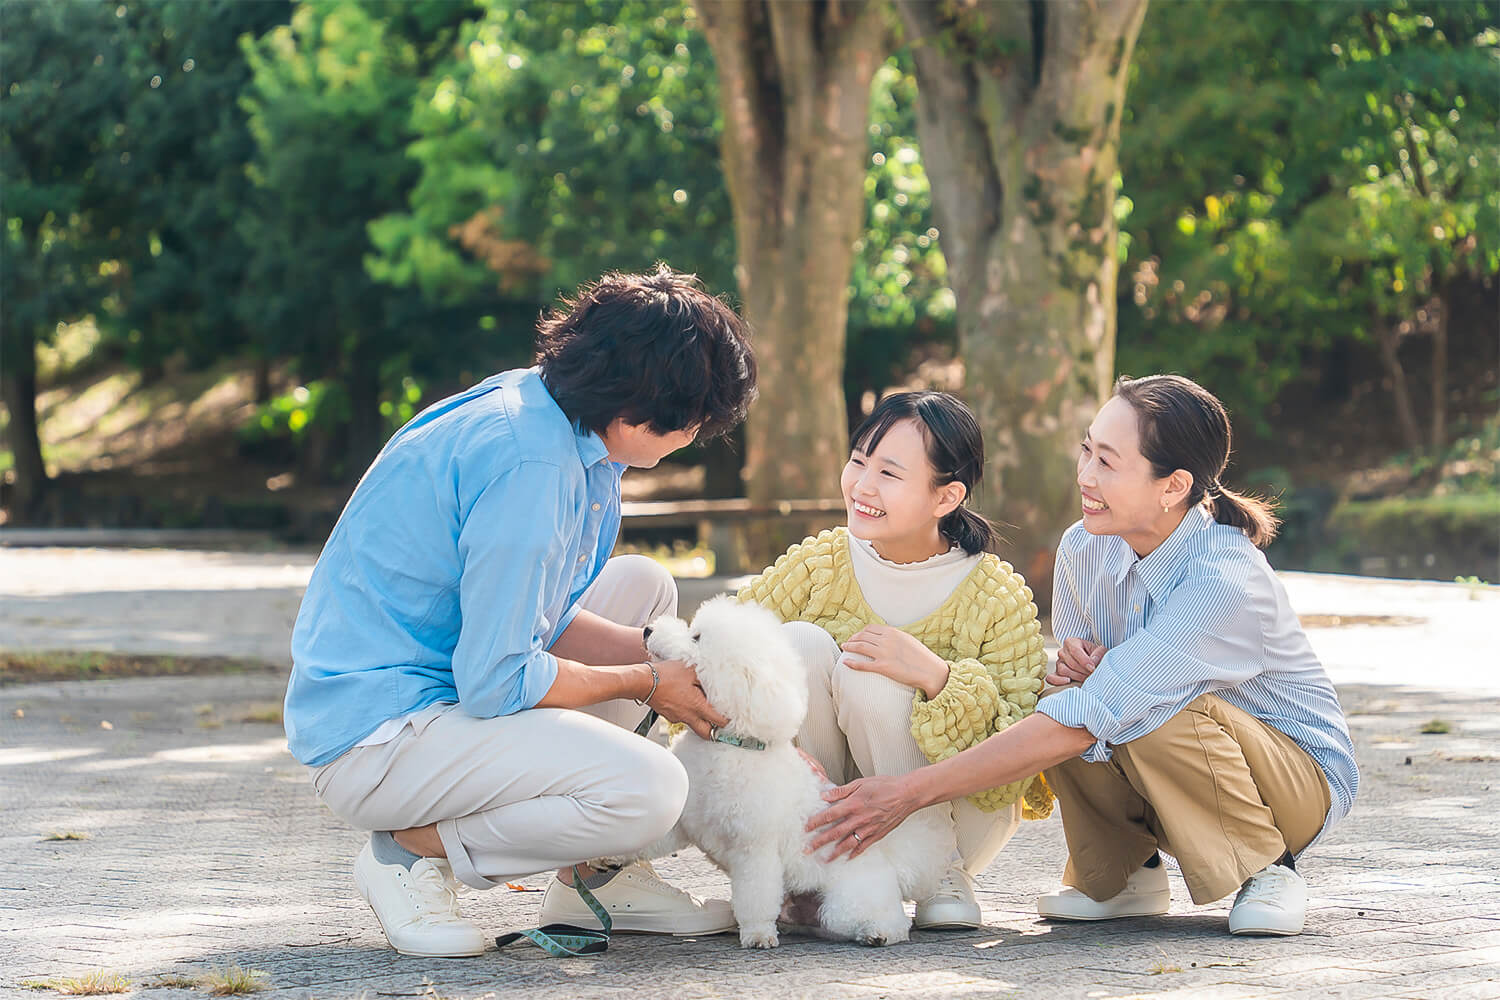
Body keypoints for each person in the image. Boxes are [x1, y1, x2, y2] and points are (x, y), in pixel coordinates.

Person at [283, 266, 758, 957]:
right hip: (379, 739)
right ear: (641, 409)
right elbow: (496, 680)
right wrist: (646, 683)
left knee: (646, 597)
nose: (695, 438)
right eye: (694, 423)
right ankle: (410, 854)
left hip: (444, 689)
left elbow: (541, 614)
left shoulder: (551, 417)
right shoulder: (529, 466)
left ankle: (590, 880)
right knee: (651, 790)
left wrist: (660, 659)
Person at [805, 374, 1359, 938]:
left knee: (1140, 712)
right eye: (1086, 450)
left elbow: (1091, 717)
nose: (1085, 476)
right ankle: (1125, 874)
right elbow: (1081, 700)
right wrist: (1088, 680)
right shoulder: (1085, 546)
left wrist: (906, 794)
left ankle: (1271, 869)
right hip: (1174, 772)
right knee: (1058, 694)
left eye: (1108, 463)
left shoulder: (1223, 581)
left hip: (1294, 783)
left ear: (1173, 486)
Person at [737, 391, 1052, 931]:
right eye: (859, 460)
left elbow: (1011, 765)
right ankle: (817, 871)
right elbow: (716, 655)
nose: (862, 485)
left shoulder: (995, 595)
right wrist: (779, 746)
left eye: (889, 473)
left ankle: (941, 873)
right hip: (831, 812)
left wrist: (936, 677)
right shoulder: (818, 565)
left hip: (957, 817)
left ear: (946, 496)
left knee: (869, 672)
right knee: (795, 643)